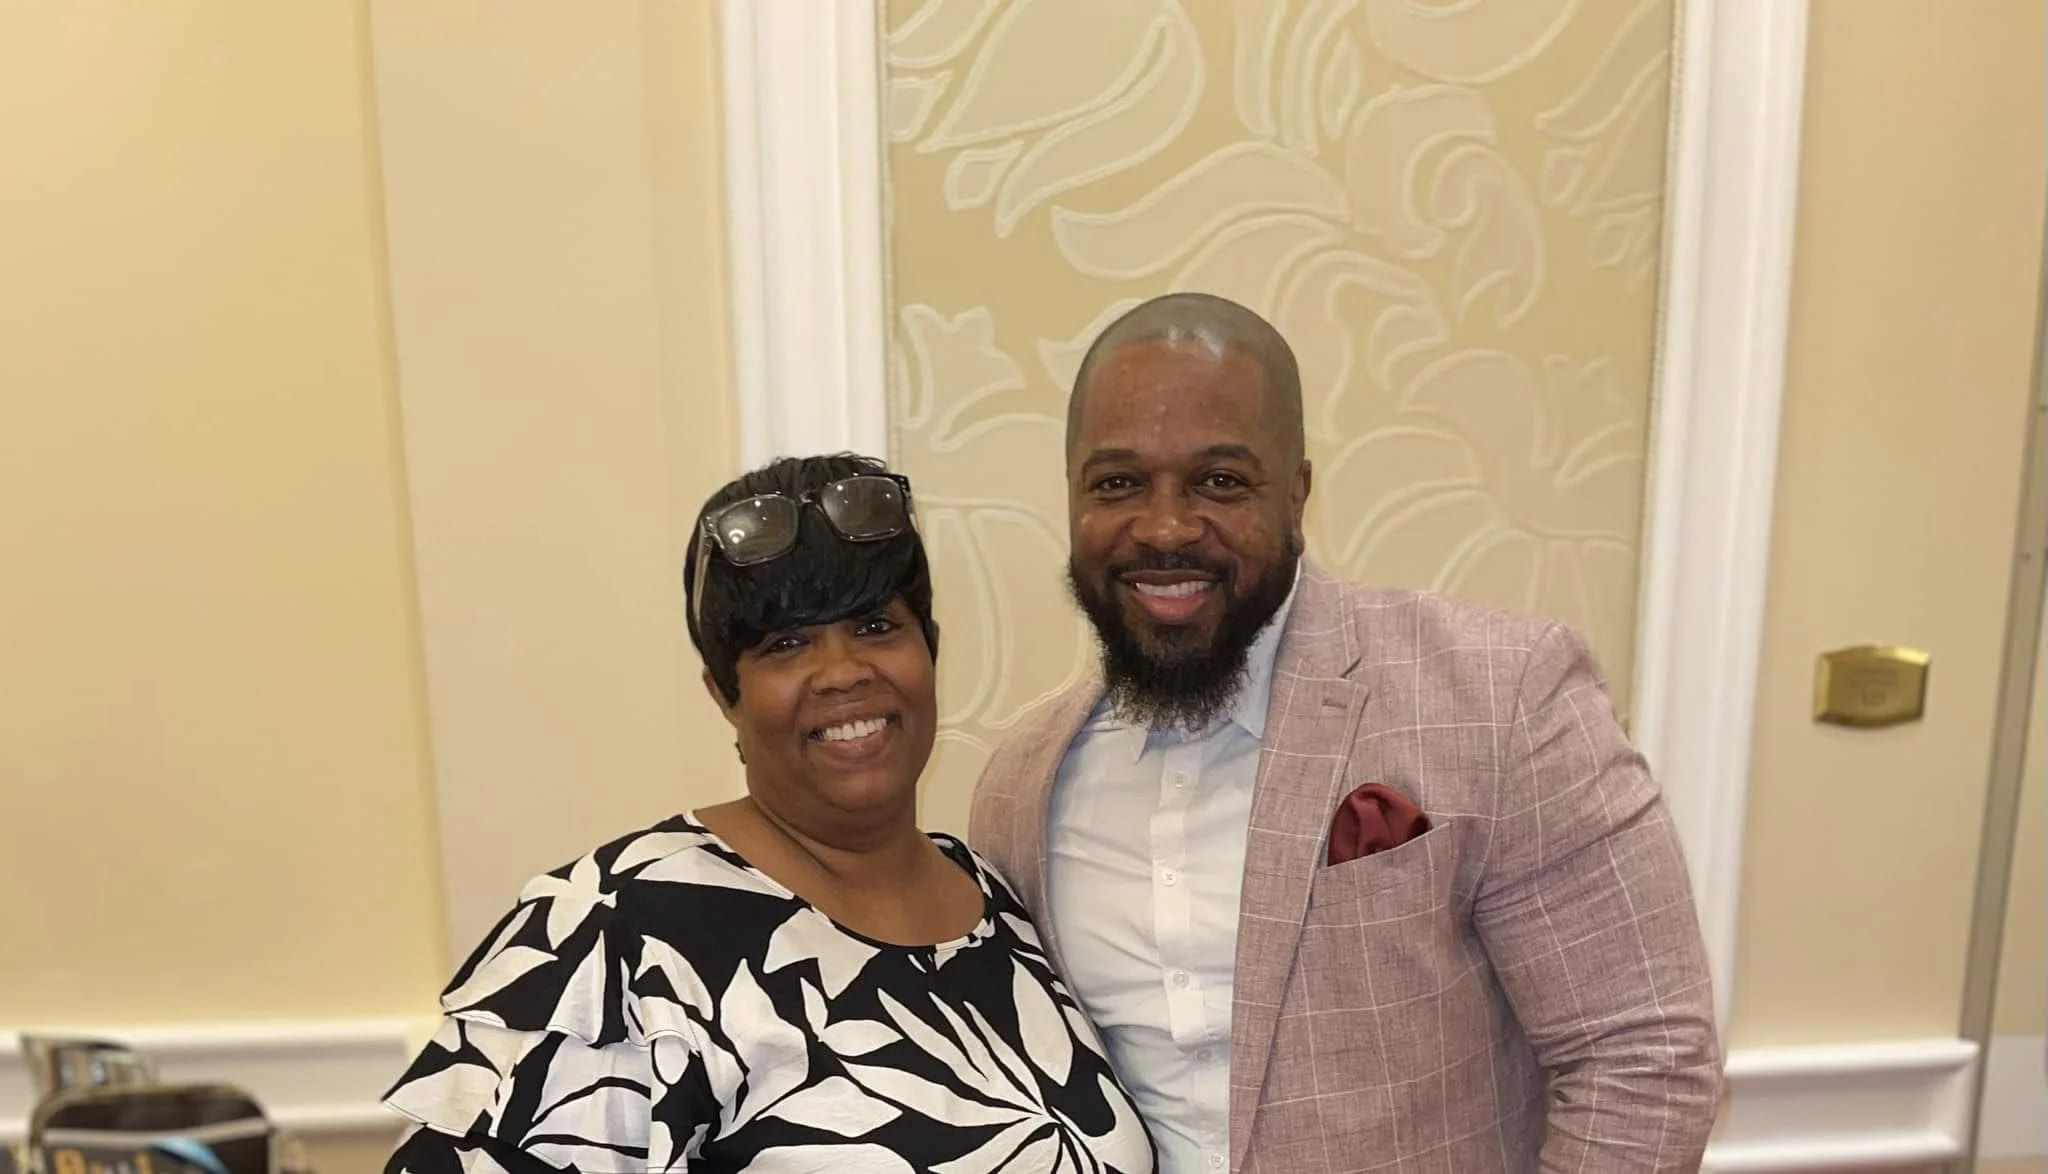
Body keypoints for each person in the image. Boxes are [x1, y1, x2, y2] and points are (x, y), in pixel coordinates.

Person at [969, 294, 1722, 1172]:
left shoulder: (1501, 695)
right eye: (1118, 484)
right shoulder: (1022, 787)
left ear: (1296, 494)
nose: (1166, 526)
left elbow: (1643, 1059)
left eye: (1220, 481)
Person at [381, 454, 1155, 1174]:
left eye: (876, 626)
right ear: (725, 695)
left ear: (930, 650)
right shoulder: (615, 934)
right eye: (786, 644)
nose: (842, 672)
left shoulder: (997, 899)